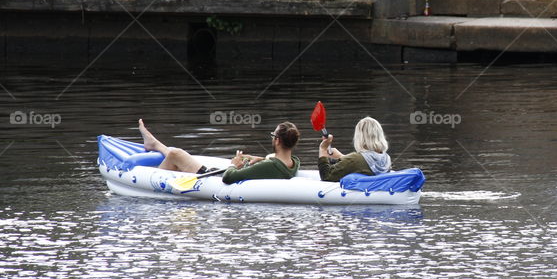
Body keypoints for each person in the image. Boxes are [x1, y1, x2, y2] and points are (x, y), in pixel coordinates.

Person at [138, 119, 300, 182]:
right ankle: (154, 145)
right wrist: (258, 159)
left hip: (214, 179)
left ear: (277, 140)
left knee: (175, 154)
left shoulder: (270, 165)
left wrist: (234, 164)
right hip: (215, 174)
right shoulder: (293, 163)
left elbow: (228, 178)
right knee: (175, 154)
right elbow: (272, 162)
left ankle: (151, 176)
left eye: (273, 136)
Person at [318, 116, 391, 182]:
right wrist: (342, 157)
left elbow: (326, 176)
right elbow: (360, 164)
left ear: (360, 137)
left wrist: (323, 149)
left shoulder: (354, 159)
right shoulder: (386, 159)